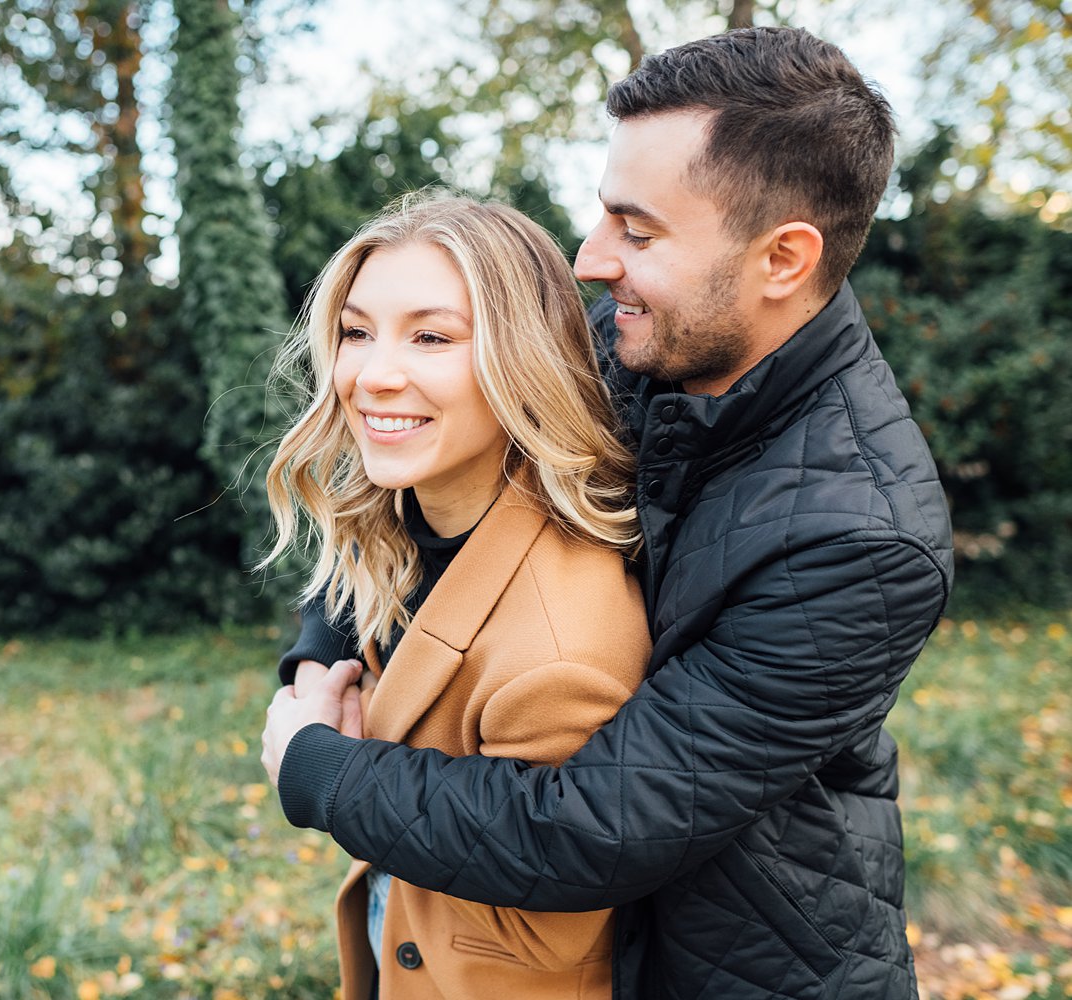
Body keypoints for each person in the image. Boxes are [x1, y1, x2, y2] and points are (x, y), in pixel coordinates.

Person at [262, 26, 953, 1000]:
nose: (589, 259)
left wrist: (315, 765)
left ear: (783, 259)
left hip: (731, 963)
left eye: (637, 229)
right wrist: (322, 656)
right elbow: (416, 481)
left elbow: (586, 827)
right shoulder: (637, 335)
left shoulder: (862, 537)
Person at [260, 194, 653, 998]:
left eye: (431, 337)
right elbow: (356, 571)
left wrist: (323, 768)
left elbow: (553, 908)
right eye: (356, 331)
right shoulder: (421, 505)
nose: (373, 374)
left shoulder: (562, 647)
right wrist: (315, 669)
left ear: (524, 358)